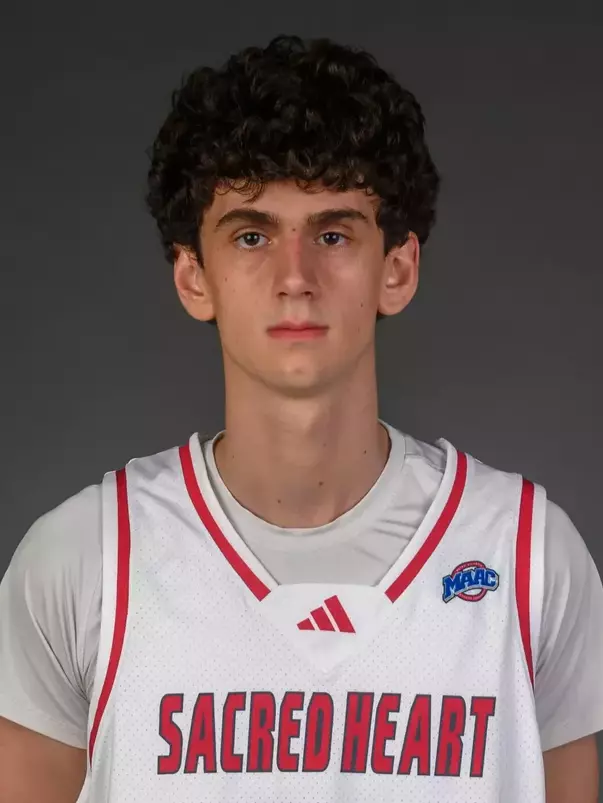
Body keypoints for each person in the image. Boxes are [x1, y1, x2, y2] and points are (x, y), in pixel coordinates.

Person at [0, 34, 602, 803]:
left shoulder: (527, 556)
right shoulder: (83, 561)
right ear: (194, 276)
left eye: (332, 232)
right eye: (251, 235)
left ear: (397, 268)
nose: (294, 277)